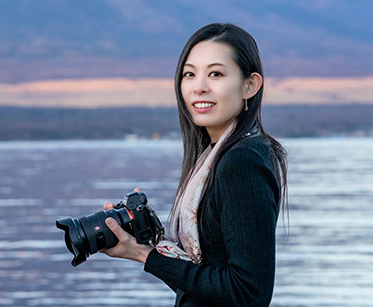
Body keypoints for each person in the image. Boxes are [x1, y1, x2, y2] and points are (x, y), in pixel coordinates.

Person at [101, 23, 287, 307]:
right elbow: (204, 284)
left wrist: (145, 256)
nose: (199, 87)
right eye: (189, 74)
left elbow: (248, 293)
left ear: (250, 85)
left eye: (216, 74)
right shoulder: (214, 156)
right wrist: (146, 243)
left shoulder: (243, 160)